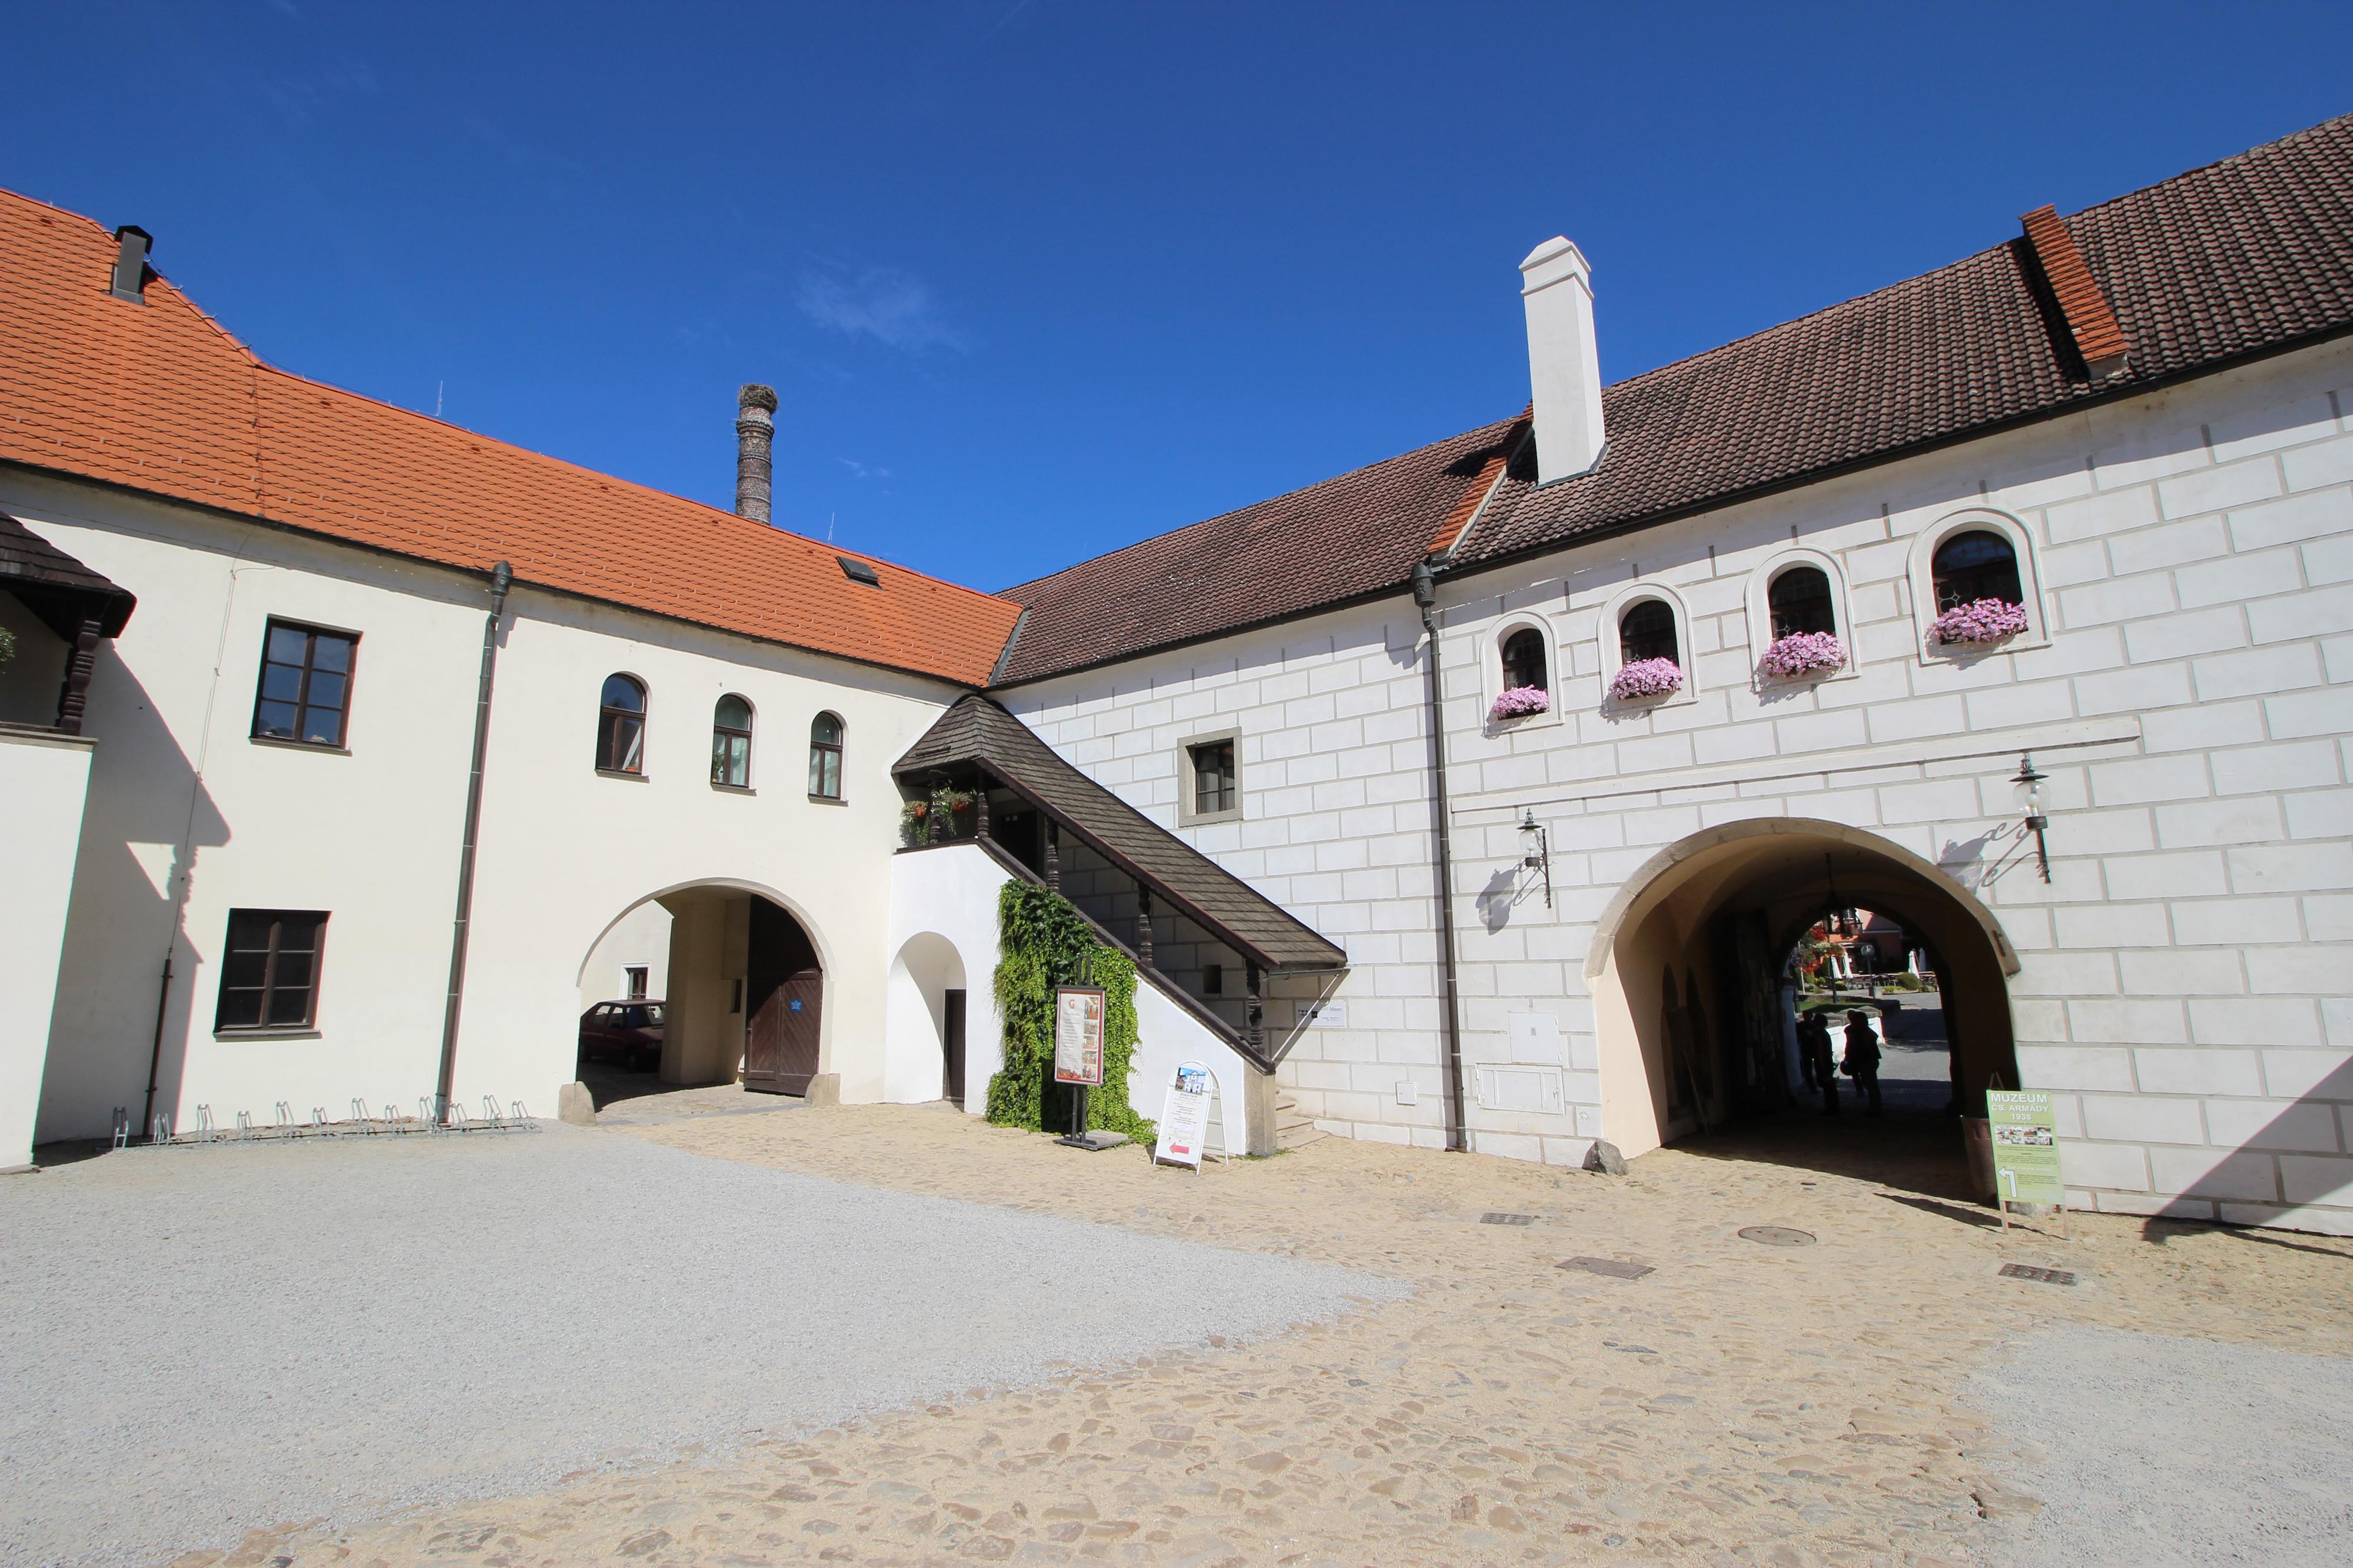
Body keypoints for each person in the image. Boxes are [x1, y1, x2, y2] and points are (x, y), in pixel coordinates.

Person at [1844, 1009, 1882, 1117]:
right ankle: (1874, 1107)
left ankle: (1875, 1109)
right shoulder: (1858, 1031)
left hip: (1868, 1061)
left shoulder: (1864, 1033)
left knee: (1872, 1085)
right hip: (1865, 1061)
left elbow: (1863, 1047)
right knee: (1869, 1084)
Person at [1799, 1010, 1838, 1115]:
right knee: (1829, 1085)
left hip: (1823, 1062)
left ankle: (1831, 1108)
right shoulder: (1824, 1033)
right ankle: (1833, 1107)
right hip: (1827, 1060)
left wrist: (1820, 1063)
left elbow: (1820, 1050)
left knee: (1827, 1085)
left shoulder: (1819, 1034)